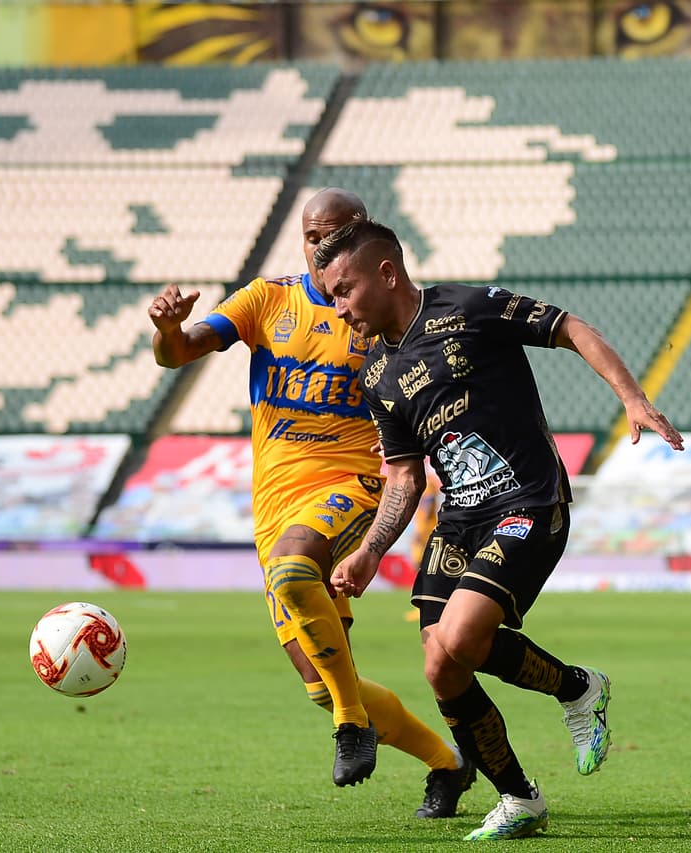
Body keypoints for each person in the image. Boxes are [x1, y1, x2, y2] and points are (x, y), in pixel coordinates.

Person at [316, 219, 685, 841]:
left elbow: (570, 328)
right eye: (331, 296)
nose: (339, 308)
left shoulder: (467, 308)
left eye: (344, 290)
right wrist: (371, 550)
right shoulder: (375, 373)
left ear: (386, 273)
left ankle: (577, 688)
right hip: (461, 518)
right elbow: (405, 475)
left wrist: (631, 396)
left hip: (529, 500)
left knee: (460, 637)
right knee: (440, 666)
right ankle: (519, 798)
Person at [147, 189, 475, 815]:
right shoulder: (266, 300)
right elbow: (180, 352)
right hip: (275, 503)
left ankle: (352, 728)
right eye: (310, 237)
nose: (319, 248)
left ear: (360, 236)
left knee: (295, 571)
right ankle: (448, 762)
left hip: (353, 482)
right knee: (322, 682)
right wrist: (167, 331)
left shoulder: (378, 312)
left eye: (332, 236)